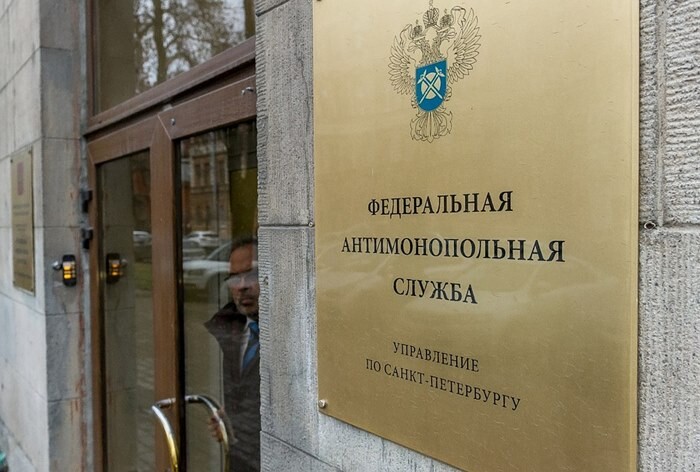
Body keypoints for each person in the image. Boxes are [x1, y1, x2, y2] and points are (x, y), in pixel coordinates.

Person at [204, 236, 260, 471]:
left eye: (252, 274)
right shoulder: (230, 330)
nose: (242, 286)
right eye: (235, 278)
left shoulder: (293, 333)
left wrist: (236, 423)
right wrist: (229, 421)